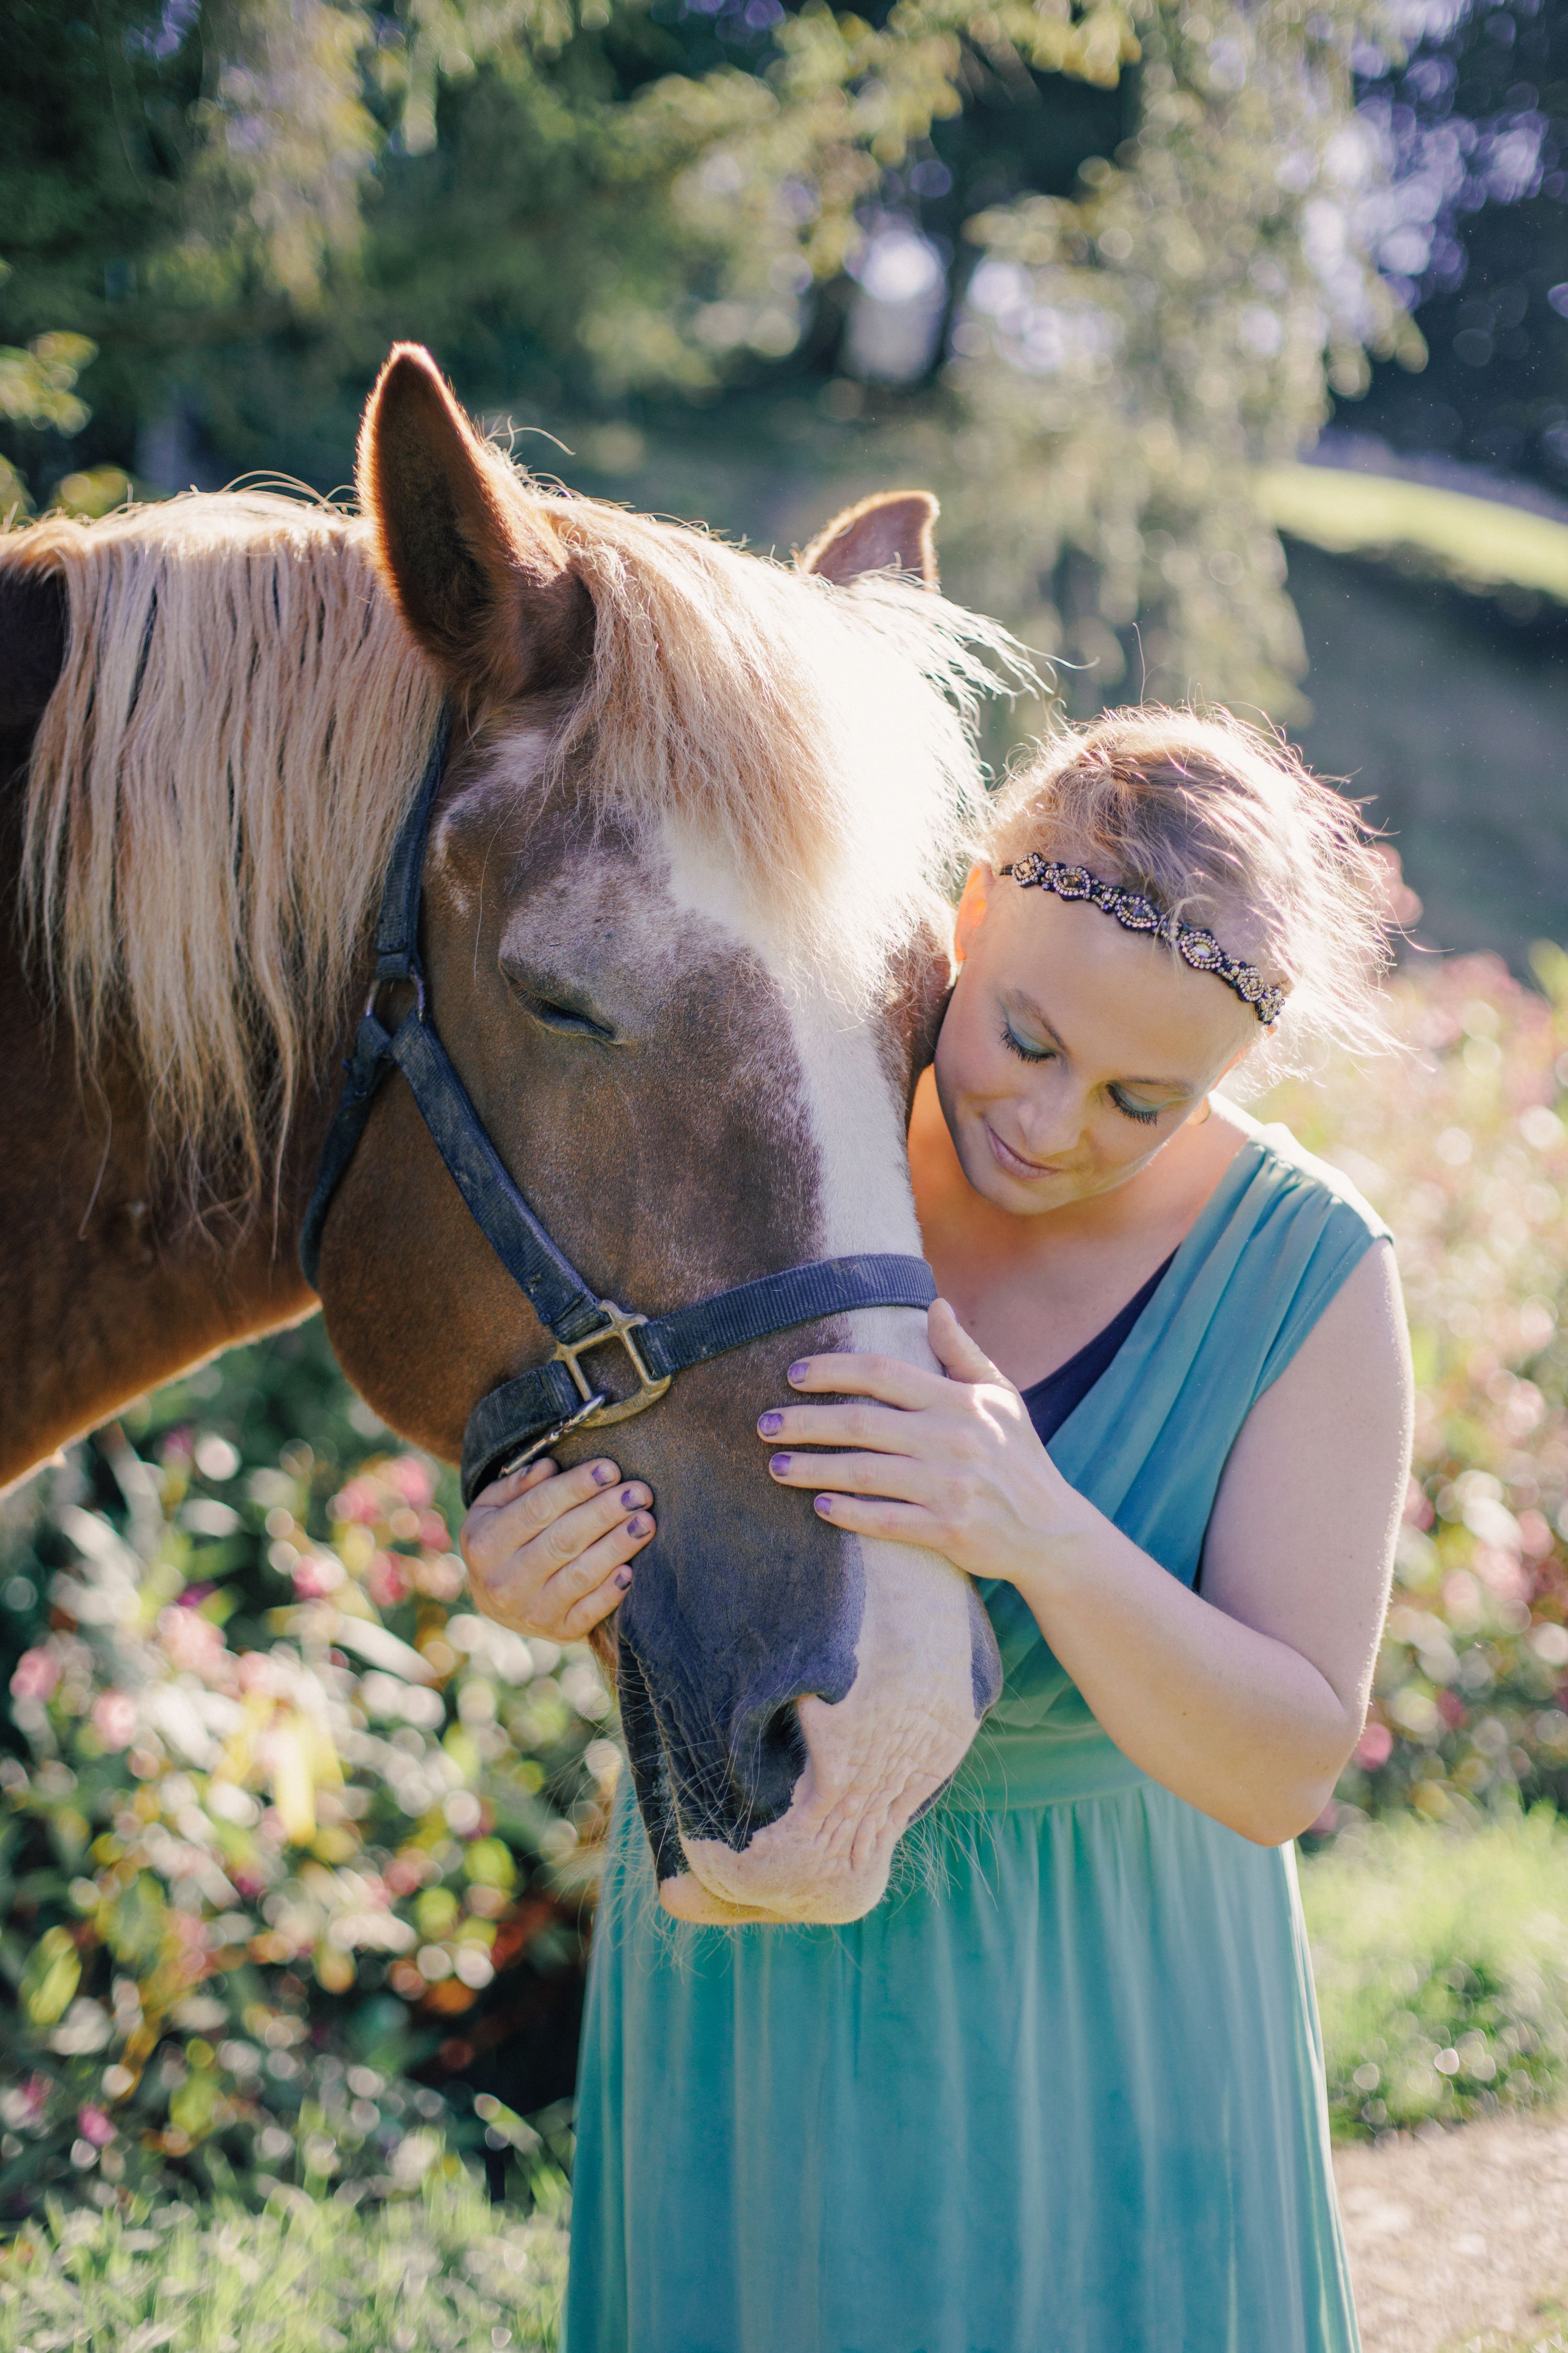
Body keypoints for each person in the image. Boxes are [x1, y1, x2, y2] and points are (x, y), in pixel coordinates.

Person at [462, 707, 1413, 2353]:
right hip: (739, 1990)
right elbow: (546, 1395)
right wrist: (521, 1555)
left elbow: (1286, 1767)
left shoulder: (1307, 1276)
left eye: (1142, 1099)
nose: (1052, 1126)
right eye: (1029, 1040)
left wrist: (1035, 1526)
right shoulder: (773, 1112)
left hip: (1102, 2018)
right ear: (967, 910)